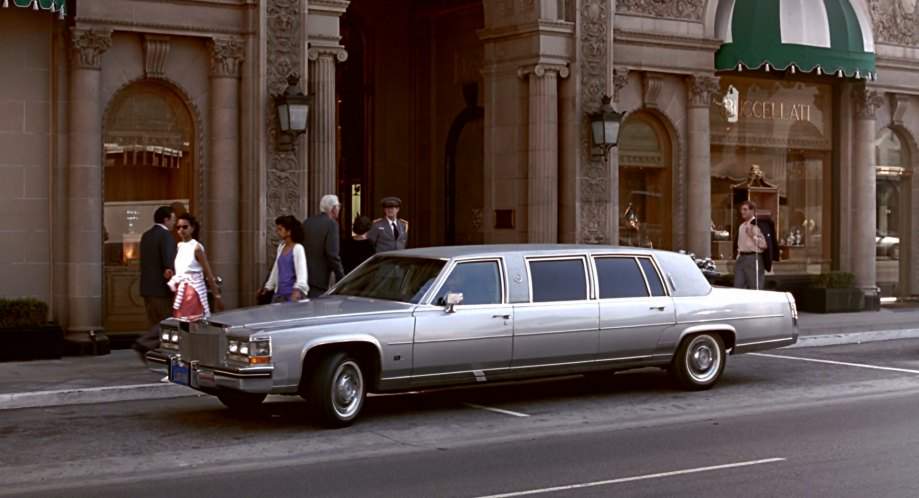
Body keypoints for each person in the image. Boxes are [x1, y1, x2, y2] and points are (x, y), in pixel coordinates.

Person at [133, 206, 177, 356]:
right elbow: (168, 262)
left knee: (154, 322)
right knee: (167, 322)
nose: (174, 223)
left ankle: (155, 352)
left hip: (147, 287)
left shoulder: (146, 235)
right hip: (161, 289)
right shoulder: (166, 236)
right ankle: (145, 343)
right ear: (166, 219)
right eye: (173, 219)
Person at [168, 213, 221, 318]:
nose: (181, 230)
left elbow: (208, 272)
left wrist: (217, 296)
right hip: (180, 289)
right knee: (180, 320)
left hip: (193, 289)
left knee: (190, 321)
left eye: (185, 227)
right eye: (178, 227)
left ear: (192, 228)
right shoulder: (180, 246)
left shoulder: (196, 247)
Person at [303, 194, 346, 298]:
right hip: (319, 279)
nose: (339, 208)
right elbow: (332, 253)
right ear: (333, 208)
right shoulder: (332, 224)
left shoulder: (307, 221)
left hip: (304, 275)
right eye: (338, 206)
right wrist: (341, 276)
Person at [261, 215, 309, 302]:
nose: (277, 232)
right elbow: (276, 269)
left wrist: (298, 289)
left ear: (289, 232)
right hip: (279, 294)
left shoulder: (298, 248)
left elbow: (302, 272)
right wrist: (268, 286)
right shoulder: (281, 247)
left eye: (280, 229)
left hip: (292, 295)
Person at [734, 200, 767, 290]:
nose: (742, 212)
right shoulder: (741, 226)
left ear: (752, 211)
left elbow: (764, 244)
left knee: (755, 287)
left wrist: (752, 235)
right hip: (741, 259)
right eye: (741, 209)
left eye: (745, 209)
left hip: (753, 258)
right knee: (738, 287)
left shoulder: (757, 225)